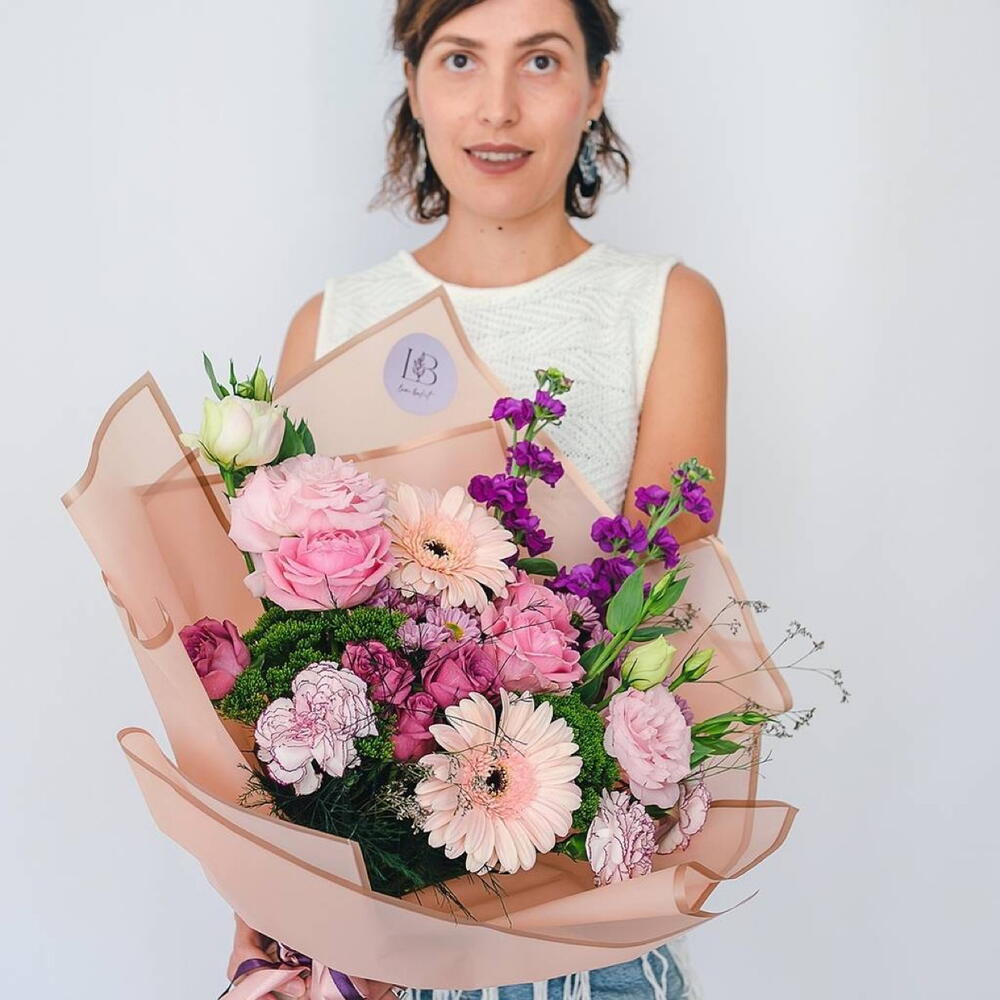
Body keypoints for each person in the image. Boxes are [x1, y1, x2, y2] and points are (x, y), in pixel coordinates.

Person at [227, 1, 725, 997]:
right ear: (412, 82)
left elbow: (657, 611)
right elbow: (273, 656)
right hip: (365, 940)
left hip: (584, 930)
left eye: (540, 61)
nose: (497, 107)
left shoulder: (663, 307)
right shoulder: (331, 322)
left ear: (596, 84)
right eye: (460, 60)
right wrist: (262, 931)